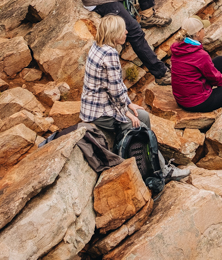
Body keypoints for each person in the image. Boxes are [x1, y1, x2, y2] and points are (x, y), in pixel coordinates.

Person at [81, 14, 189, 180]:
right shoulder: (110, 54)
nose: (126, 32)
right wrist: (126, 111)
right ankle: (162, 171)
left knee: (142, 115)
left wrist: (129, 105)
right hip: (101, 112)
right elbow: (115, 91)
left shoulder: (98, 46)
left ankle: (151, 162)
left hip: (92, 107)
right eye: (122, 30)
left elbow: (113, 85)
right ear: (114, 34)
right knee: (139, 123)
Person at [171, 17, 222, 112]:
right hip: (197, 102)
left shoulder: (178, 47)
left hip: (181, 99)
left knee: (221, 60)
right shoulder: (200, 55)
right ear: (198, 33)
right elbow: (213, 77)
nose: (204, 31)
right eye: (203, 29)